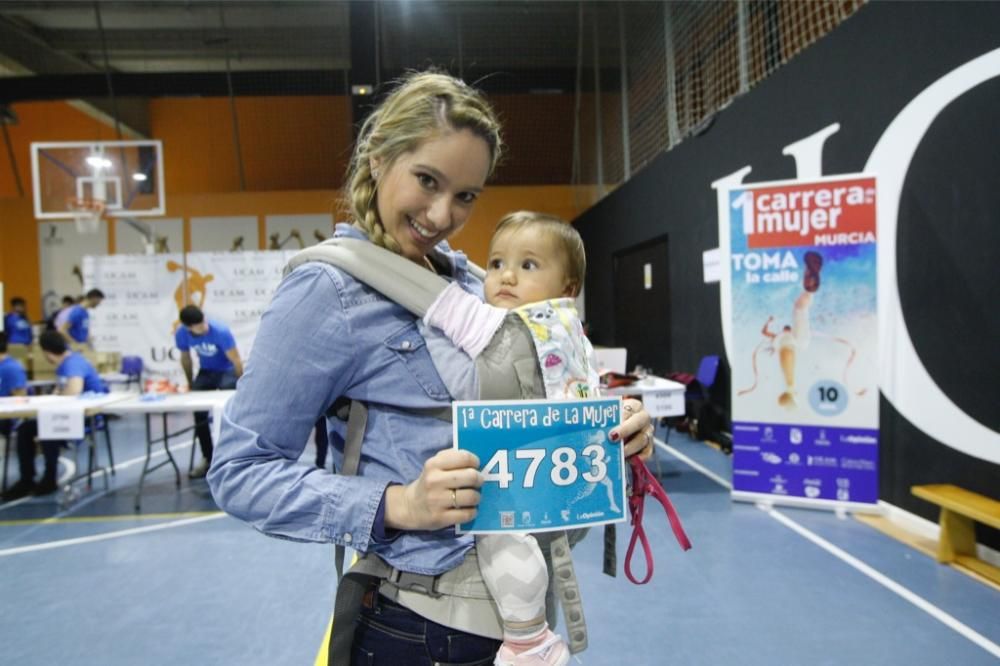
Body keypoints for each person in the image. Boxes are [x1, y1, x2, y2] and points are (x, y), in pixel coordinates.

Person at [207, 71, 653, 665]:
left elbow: (538, 403)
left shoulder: (478, 282)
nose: (442, 214)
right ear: (377, 158)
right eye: (426, 180)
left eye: (466, 195)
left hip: (527, 618)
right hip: (422, 630)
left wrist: (611, 430)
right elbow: (239, 470)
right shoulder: (327, 292)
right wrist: (396, 503)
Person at [420, 211, 597, 664]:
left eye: (528, 265)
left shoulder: (498, 325)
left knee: (501, 537)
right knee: (535, 556)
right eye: (496, 263)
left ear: (569, 288)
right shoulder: (572, 330)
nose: (505, 276)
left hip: (520, 480)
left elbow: (436, 312)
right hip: (562, 490)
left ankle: (526, 638)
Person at [1, 331, 107, 501]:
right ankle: (27, 478)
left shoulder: (73, 363)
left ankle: (49, 477)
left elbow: (74, 390)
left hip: (86, 417)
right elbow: (63, 390)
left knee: (47, 426)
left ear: (46, 352)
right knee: (26, 429)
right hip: (70, 413)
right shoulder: (65, 364)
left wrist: (56, 397)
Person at [175, 305, 243, 479]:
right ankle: (208, 457)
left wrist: (242, 387)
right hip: (206, 372)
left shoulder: (220, 331)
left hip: (226, 370)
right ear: (188, 327)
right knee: (199, 414)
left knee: (232, 411)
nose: (203, 326)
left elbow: (235, 360)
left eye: (203, 322)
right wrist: (190, 384)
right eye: (198, 326)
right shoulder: (181, 333)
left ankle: (236, 457)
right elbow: (186, 358)